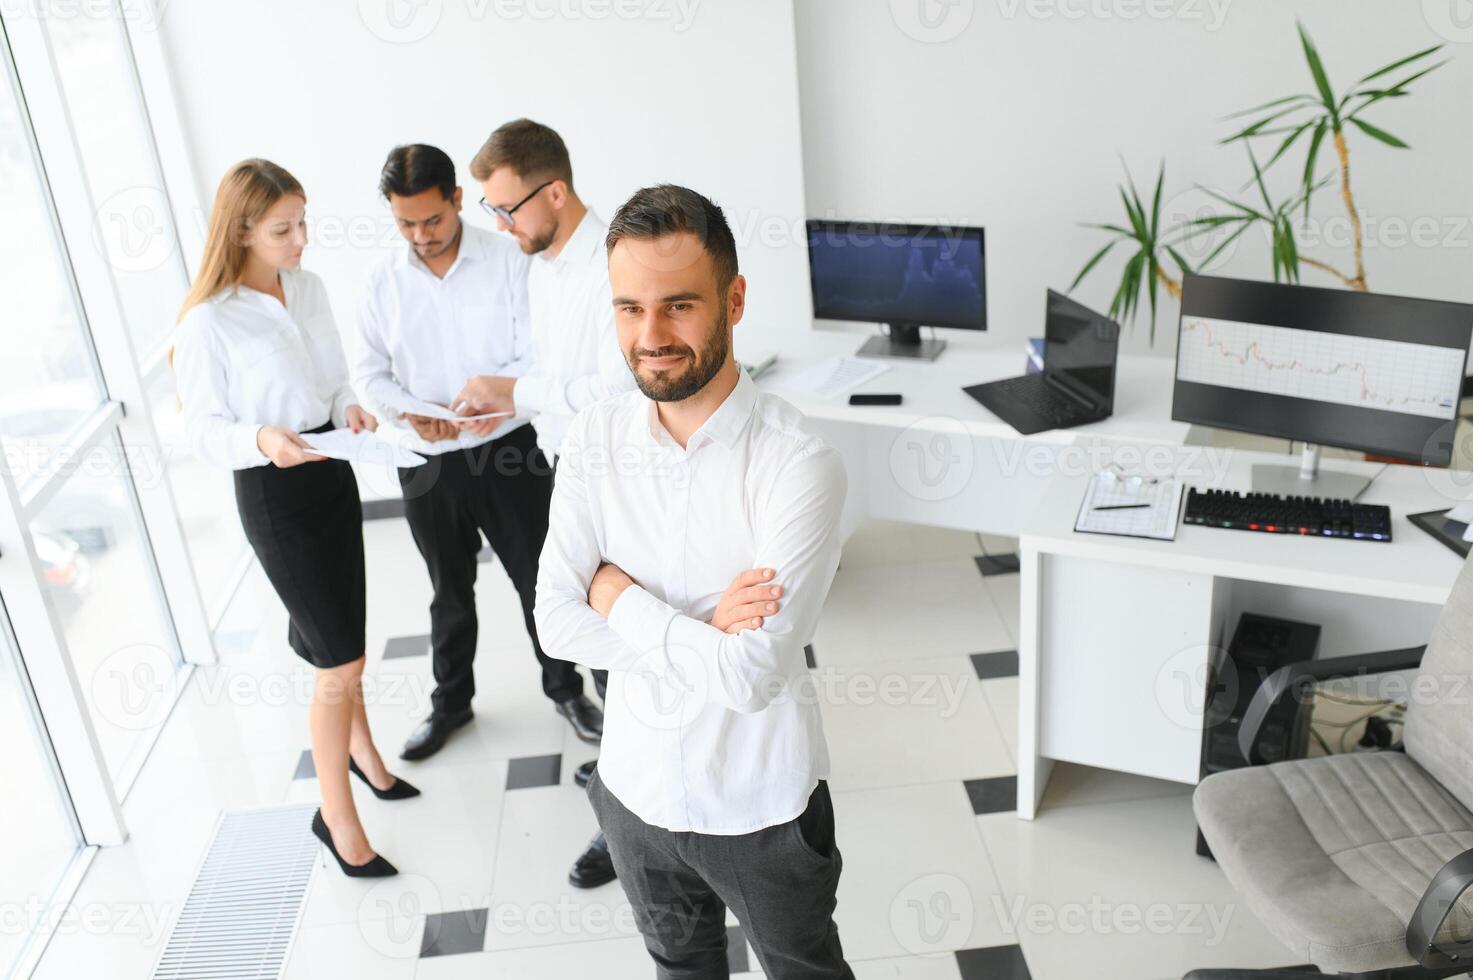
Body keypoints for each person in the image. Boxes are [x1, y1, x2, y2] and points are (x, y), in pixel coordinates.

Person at [534, 184, 855, 978]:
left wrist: (614, 593)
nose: (650, 336)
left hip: (762, 808)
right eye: (628, 309)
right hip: (633, 792)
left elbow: (751, 677)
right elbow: (551, 621)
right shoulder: (595, 438)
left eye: (678, 305)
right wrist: (704, 629)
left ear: (734, 299)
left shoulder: (798, 464)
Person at [174, 159, 416, 879]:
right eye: (284, 229)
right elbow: (201, 430)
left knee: (345, 637)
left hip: (331, 471)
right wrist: (262, 439)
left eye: (302, 221)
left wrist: (349, 408)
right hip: (275, 493)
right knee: (339, 661)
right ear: (242, 231)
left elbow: (333, 379)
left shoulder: (307, 289)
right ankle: (335, 818)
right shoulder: (208, 321)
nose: (302, 238)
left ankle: (366, 756)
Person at [354, 144, 603, 762]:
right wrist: (408, 415)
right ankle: (452, 704)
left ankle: (567, 690)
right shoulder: (381, 279)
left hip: (507, 449)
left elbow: (534, 353)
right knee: (448, 588)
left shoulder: (508, 260)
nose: (421, 235)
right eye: (406, 223)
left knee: (539, 580)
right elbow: (369, 374)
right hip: (426, 459)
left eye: (432, 220)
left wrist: (492, 403)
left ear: (458, 200)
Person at [454, 118, 633, 888]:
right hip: (567, 472)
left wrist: (516, 391)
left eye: (508, 208)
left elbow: (616, 389)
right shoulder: (541, 264)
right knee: (597, 644)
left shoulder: (612, 267)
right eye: (491, 212)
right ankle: (621, 779)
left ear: (553, 191)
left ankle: (628, 825)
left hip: (621, 483)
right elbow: (549, 375)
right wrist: (500, 407)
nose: (500, 225)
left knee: (623, 649)